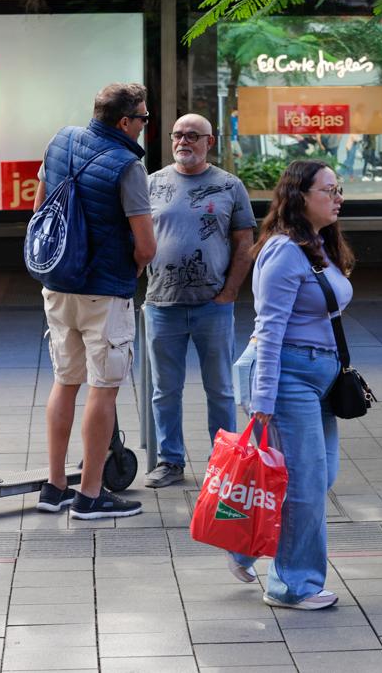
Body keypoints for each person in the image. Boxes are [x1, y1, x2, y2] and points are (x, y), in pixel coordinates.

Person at [228, 159, 353, 610]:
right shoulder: (283, 250)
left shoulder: (317, 244)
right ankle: (292, 585)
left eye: (339, 190)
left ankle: (244, 544)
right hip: (289, 377)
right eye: (329, 190)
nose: (338, 197)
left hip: (320, 377)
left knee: (320, 477)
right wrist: (263, 398)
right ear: (300, 196)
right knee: (304, 481)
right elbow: (270, 328)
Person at [32, 83, 156, 519]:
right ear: (125, 122)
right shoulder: (128, 167)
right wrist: (135, 270)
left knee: (64, 381)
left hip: (59, 285)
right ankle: (90, 494)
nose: (144, 125)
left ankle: (54, 486)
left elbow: (41, 207)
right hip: (104, 294)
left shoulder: (60, 140)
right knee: (103, 391)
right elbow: (146, 245)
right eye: (143, 118)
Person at [142, 114, 256, 487]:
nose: (183, 141)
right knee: (164, 391)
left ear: (210, 142)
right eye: (177, 135)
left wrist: (229, 294)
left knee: (221, 389)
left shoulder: (229, 185)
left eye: (193, 135)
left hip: (213, 306)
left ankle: (224, 463)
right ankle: (170, 461)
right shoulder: (151, 184)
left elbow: (244, 244)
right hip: (162, 305)